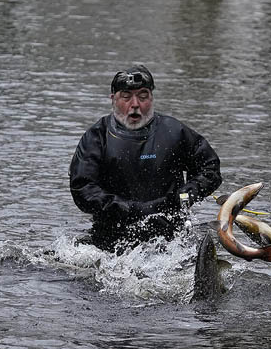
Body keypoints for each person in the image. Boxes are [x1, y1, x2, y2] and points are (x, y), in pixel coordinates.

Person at [69, 64, 222, 253]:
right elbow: (83, 189)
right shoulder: (97, 137)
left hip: (170, 239)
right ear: (113, 100)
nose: (135, 104)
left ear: (151, 98)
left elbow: (210, 169)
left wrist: (184, 196)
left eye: (142, 96)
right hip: (112, 241)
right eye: (126, 97)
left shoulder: (174, 132)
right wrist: (130, 209)